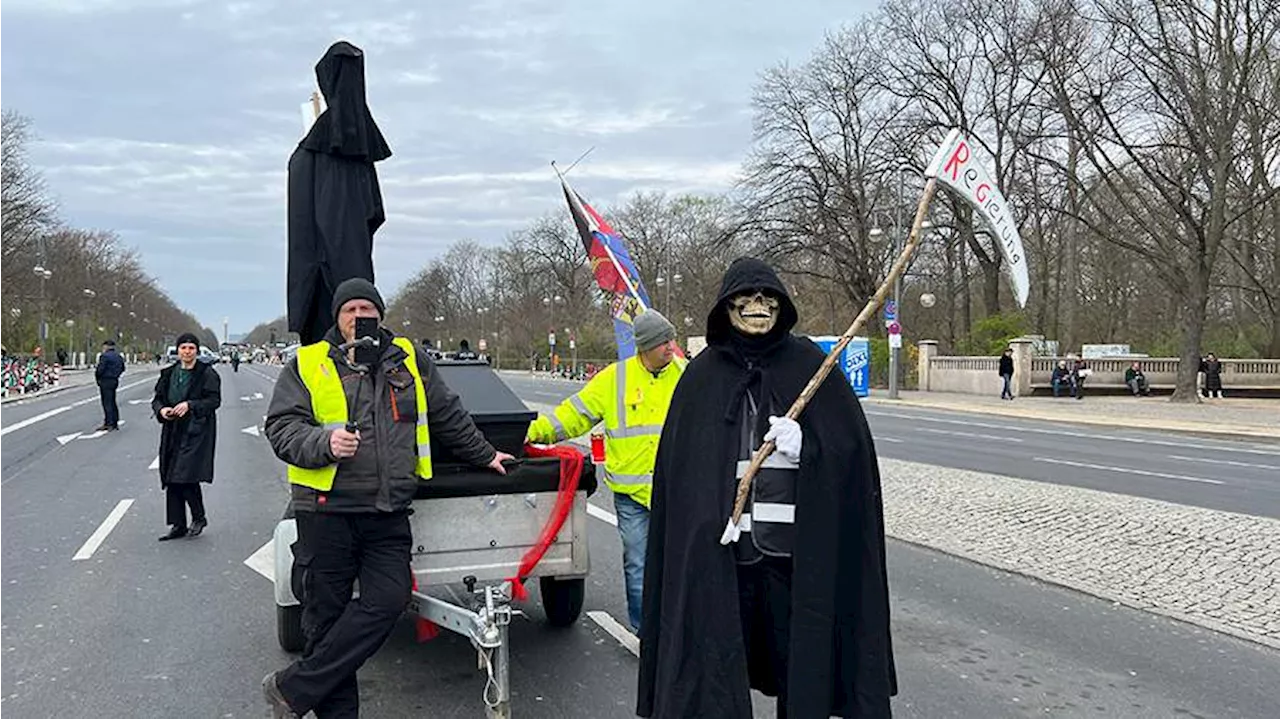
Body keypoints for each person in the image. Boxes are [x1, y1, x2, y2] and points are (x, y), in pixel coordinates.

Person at [637, 258, 896, 719]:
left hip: (795, 560)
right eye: (747, 300)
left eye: (767, 299)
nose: (757, 308)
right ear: (726, 308)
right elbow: (683, 473)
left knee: (802, 669)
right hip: (725, 558)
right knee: (714, 668)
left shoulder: (812, 367)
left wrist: (810, 447)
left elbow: (852, 454)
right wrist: (708, 519)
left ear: (782, 307)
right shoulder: (702, 377)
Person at [261, 278, 515, 719]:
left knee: (390, 599)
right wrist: (324, 442)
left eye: (368, 308)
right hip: (327, 511)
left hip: (387, 510)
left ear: (381, 314)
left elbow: (447, 413)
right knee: (326, 620)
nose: (360, 316)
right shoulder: (307, 363)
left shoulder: (408, 358)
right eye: (351, 310)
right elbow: (282, 427)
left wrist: (486, 453)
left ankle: (294, 687)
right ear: (337, 319)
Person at [526, 309, 685, 632]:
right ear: (645, 347)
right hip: (631, 496)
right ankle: (646, 633)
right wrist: (531, 432)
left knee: (681, 566)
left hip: (677, 492)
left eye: (671, 339)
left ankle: (679, 630)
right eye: (663, 342)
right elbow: (573, 416)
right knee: (638, 564)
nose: (671, 346)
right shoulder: (615, 379)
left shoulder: (686, 374)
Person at [151, 333, 221, 541]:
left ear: (197, 351)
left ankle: (199, 517)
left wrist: (190, 405)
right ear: (178, 351)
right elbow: (157, 399)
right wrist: (162, 410)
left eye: (191, 348)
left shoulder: (207, 374)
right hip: (172, 429)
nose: (187, 352)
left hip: (196, 430)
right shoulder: (168, 374)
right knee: (171, 476)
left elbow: (214, 400)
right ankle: (178, 523)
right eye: (183, 348)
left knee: (185, 474)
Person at [95, 339, 125, 431]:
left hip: (105, 380)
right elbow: (123, 368)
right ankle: (115, 422)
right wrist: (116, 375)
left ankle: (109, 423)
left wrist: (98, 377)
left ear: (106, 346)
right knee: (112, 401)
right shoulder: (118, 356)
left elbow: (100, 369)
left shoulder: (104, 356)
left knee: (107, 402)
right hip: (114, 380)